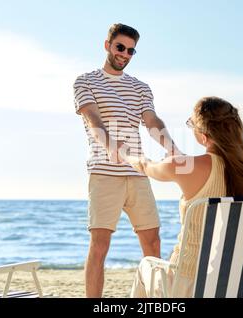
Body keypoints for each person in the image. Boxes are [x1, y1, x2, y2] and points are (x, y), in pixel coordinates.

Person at [127, 96, 243, 297]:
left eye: (192, 124)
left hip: (188, 286)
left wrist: (125, 153)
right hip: (235, 287)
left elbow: (146, 166)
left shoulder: (185, 166)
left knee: (147, 264)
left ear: (203, 134)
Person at [73, 23, 182, 298]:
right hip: (103, 172)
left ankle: (153, 300)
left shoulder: (141, 87)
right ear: (107, 45)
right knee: (100, 245)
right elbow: (92, 119)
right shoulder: (85, 81)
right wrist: (111, 145)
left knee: (152, 242)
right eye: (120, 47)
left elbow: (152, 121)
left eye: (131, 51)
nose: (125, 54)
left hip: (137, 172)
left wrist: (173, 149)